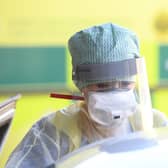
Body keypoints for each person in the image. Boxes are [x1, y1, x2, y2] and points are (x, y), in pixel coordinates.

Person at [5, 23, 168, 168]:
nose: (116, 95)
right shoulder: (54, 133)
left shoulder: (156, 125)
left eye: (125, 84)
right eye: (103, 85)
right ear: (83, 87)